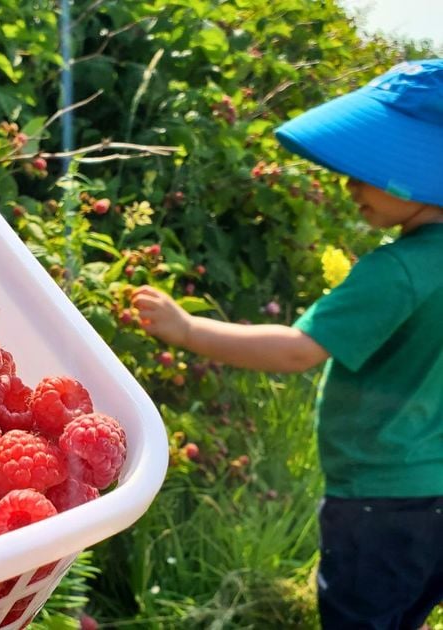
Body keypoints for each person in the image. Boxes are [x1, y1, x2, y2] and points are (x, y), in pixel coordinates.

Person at [132, 58, 443, 629]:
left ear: (420, 169)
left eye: (368, 168)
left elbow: (298, 350)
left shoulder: (397, 270)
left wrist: (188, 329)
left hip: (379, 500)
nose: (350, 185)